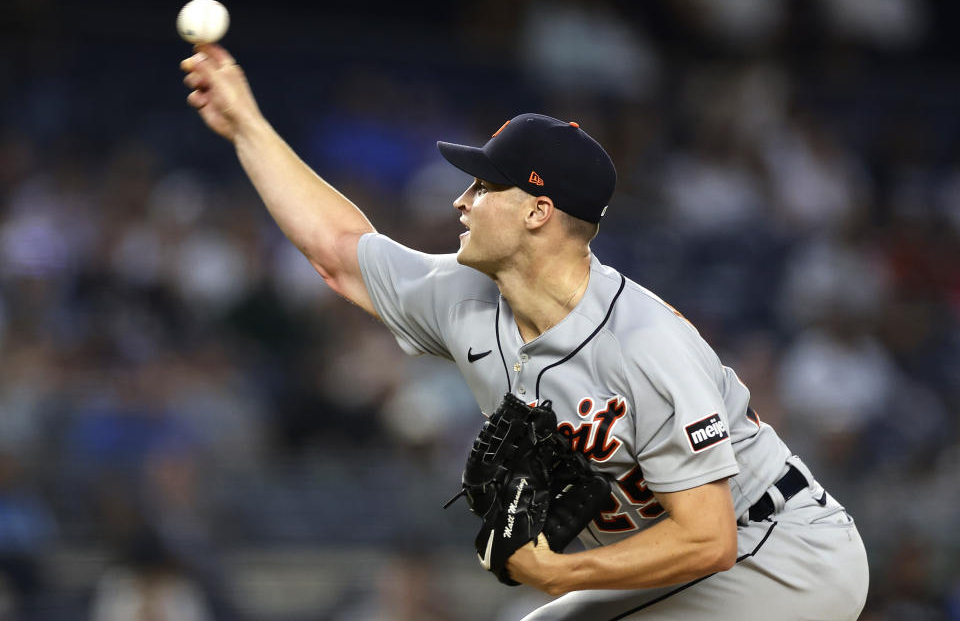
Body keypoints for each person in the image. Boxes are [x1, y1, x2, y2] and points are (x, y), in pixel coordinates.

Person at [180, 44, 869, 620]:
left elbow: (710, 538)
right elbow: (339, 250)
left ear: (538, 212)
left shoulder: (645, 344)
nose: (461, 200)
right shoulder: (463, 299)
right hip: (676, 558)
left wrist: (560, 570)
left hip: (781, 554)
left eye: (483, 187)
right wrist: (247, 126)